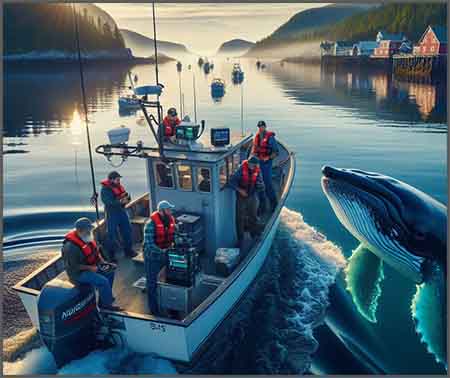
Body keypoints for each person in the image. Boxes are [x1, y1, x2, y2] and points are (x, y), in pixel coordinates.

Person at [61, 217, 122, 311]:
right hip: (78, 274)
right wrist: (90, 268)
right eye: (87, 230)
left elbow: (96, 253)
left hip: (92, 266)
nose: (90, 231)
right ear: (80, 231)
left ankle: (104, 298)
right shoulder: (70, 248)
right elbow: (73, 266)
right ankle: (106, 305)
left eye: (90, 229)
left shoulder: (87, 237)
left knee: (110, 272)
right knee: (103, 281)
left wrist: (103, 262)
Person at [143, 200, 177, 314]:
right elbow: (149, 245)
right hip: (152, 257)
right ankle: (154, 310)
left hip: (166, 254)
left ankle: (172, 307)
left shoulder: (170, 220)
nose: (170, 212)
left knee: (171, 280)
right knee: (151, 283)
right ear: (162, 211)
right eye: (168, 210)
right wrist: (163, 252)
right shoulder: (150, 224)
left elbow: (175, 235)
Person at [100, 171, 137, 262]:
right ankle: (111, 256)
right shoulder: (105, 189)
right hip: (112, 213)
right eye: (117, 179)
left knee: (127, 230)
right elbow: (108, 202)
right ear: (111, 179)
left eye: (119, 179)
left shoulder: (119, 186)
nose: (119, 180)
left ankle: (128, 251)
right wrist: (120, 202)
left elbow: (124, 194)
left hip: (122, 211)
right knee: (111, 234)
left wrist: (127, 199)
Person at [228, 156, 265, 240]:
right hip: (241, 198)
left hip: (252, 196)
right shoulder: (240, 170)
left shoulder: (257, 170)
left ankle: (254, 234)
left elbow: (261, 183)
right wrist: (240, 190)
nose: (253, 166)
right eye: (252, 164)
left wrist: (260, 185)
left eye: (255, 165)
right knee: (240, 218)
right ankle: (240, 238)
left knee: (253, 216)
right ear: (248, 163)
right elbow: (231, 182)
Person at [251, 120, 279, 214]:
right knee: (258, 183)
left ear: (265, 127)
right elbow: (253, 150)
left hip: (266, 163)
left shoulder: (270, 137)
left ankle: (274, 203)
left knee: (267, 183)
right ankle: (262, 206)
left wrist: (268, 158)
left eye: (262, 126)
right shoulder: (257, 137)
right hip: (258, 162)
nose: (260, 128)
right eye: (259, 127)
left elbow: (276, 152)